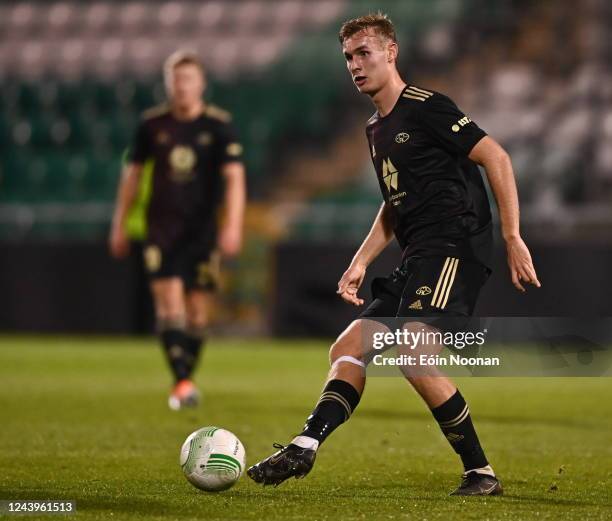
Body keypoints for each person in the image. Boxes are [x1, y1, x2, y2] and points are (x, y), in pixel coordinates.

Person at [247, 13, 540, 495]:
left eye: (364, 53)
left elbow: (496, 157)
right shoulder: (374, 129)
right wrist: (361, 261)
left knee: (414, 352)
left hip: (455, 246)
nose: (355, 65)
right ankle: (305, 445)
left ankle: (481, 473)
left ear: (390, 52)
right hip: (417, 255)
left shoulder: (427, 106)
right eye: (348, 57)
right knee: (347, 347)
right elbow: (393, 202)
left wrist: (512, 236)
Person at [109, 50, 246, 410]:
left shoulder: (218, 126)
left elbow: (234, 178)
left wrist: (232, 225)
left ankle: (185, 376)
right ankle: (183, 383)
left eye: (187, 80)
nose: (181, 87)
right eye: (175, 80)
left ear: (201, 84)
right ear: (168, 84)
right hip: (161, 228)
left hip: (201, 231)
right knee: (169, 305)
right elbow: (133, 177)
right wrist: (119, 224)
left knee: (197, 313)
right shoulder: (152, 125)